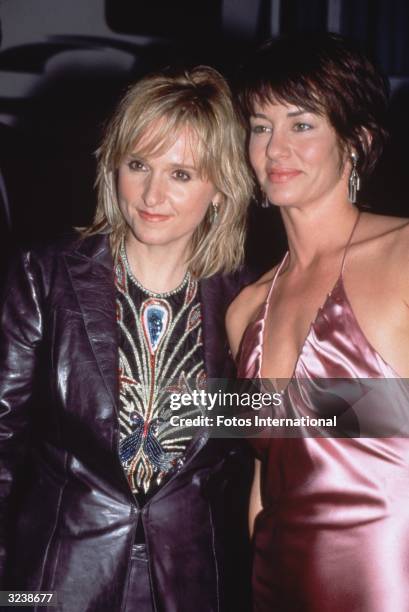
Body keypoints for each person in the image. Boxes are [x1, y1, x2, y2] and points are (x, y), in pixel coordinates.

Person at [0, 65, 254, 612]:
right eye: (138, 164)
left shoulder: (247, 301)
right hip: (54, 578)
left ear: (220, 188)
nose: (151, 193)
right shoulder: (44, 275)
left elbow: (273, 442)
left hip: (192, 582)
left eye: (181, 174)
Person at [227, 33, 409, 611]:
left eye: (301, 124)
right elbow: (266, 479)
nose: (275, 148)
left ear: (355, 142)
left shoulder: (403, 255)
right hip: (277, 584)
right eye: (260, 126)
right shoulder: (246, 308)